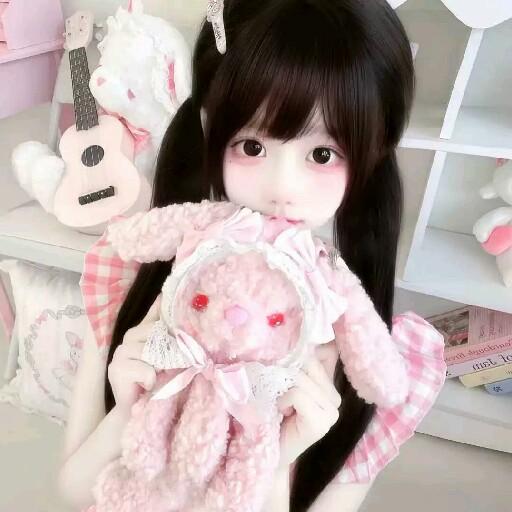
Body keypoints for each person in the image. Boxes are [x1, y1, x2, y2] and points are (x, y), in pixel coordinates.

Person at [58, 1, 446, 511]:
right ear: (209, 127)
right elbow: (72, 494)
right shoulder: (131, 278)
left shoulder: (373, 356)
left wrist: (279, 459)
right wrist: (128, 408)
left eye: (322, 154)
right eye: (251, 146)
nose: (283, 188)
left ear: (370, 157)